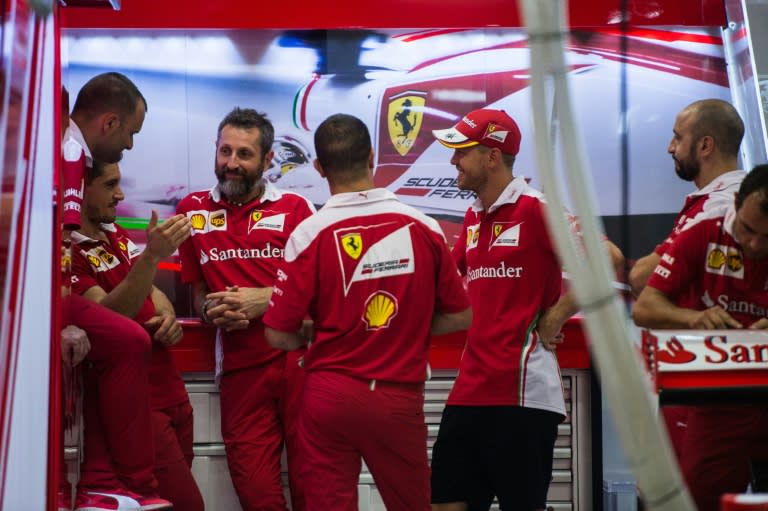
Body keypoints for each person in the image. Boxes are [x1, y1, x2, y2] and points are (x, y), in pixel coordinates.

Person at [262, 113, 472, 510]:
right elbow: (461, 317)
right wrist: (405, 330)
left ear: (320, 167)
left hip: (328, 394)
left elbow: (276, 334)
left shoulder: (309, 232)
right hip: (397, 396)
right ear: (372, 156)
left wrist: (312, 333)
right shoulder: (424, 226)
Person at [429, 108, 581, 511]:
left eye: (462, 151)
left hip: (523, 397)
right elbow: (441, 280)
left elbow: (606, 258)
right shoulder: (474, 216)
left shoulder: (536, 208)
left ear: (492, 156)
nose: (453, 160)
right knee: (445, 503)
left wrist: (556, 315)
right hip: (468, 391)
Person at [176, 107, 315, 511]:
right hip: (240, 369)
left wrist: (265, 298)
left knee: (317, 487)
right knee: (256, 493)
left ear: (268, 160)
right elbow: (199, 294)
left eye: (244, 155)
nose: (231, 164)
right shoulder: (192, 210)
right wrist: (209, 313)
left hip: (301, 364)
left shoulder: (297, 209)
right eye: (225, 151)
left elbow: (322, 292)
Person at [60, 72, 173, 511]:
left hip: (46, 295)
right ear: (109, 123)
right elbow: (61, 242)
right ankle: (127, 486)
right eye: (130, 134)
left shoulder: (70, 152)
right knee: (125, 338)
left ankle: (111, 484)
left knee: (118, 344)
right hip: (36, 294)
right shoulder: (70, 153)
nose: (129, 146)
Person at [69, 160, 203, 511]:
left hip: (173, 393)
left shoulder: (115, 234)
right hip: (139, 406)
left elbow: (152, 294)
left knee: (168, 503)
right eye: (110, 184)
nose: (120, 194)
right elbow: (110, 319)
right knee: (189, 505)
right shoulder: (70, 252)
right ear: (80, 190)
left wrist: (169, 316)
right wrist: (154, 257)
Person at [633, 164, 768, 511]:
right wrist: (695, 317)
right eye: (748, 229)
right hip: (718, 396)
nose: (754, 244)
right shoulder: (703, 233)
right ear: (736, 203)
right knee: (695, 499)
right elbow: (644, 308)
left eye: (767, 238)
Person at [627, 98, 745, 462]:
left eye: (678, 138)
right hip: (694, 371)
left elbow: (642, 279)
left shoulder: (722, 204)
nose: (670, 147)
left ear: (705, 145)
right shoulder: (709, 201)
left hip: (709, 378)